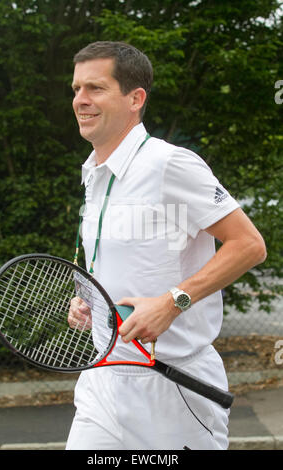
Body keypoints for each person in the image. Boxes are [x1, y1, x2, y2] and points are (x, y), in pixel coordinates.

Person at [66, 41, 266, 450]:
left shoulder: (169, 164)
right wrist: (88, 300)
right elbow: (127, 260)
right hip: (102, 378)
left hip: (173, 386)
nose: (80, 101)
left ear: (135, 98)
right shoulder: (93, 173)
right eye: (76, 89)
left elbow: (249, 245)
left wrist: (173, 301)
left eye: (95, 88)